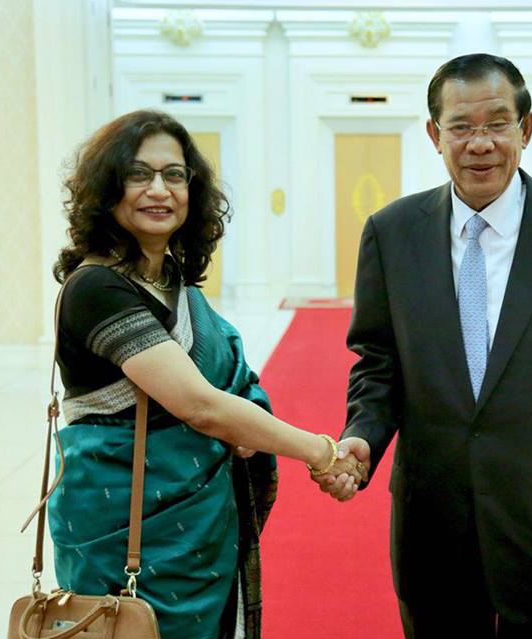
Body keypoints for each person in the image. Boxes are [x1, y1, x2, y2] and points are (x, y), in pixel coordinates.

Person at [315, 54, 532, 638]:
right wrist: (362, 433)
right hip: (432, 520)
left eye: (497, 124)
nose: (480, 144)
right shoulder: (392, 233)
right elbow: (379, 363)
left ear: (526, 128)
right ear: (434, 135)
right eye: (461, 127)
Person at [48, 109, 365, 639]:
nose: (159, 190)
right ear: (107, 188)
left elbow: (231, 385)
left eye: (174, 175)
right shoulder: (96, 289)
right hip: (126, 530)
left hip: (199, 528)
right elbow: (201, 405)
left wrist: (248, 428)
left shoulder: (173, 282)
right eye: (138, 173)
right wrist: (322, 452)